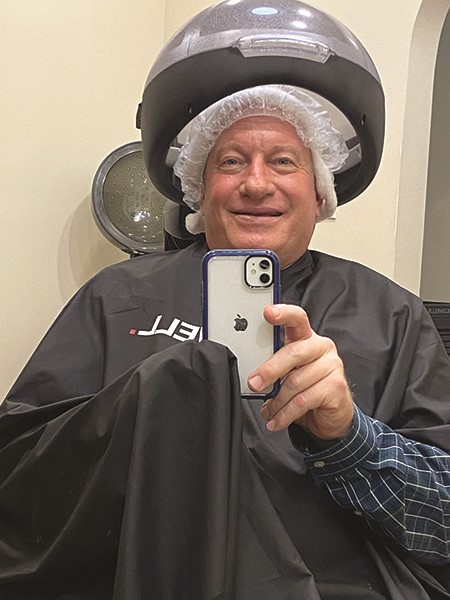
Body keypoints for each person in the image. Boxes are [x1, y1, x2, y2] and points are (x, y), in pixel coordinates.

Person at [1, 85, 449, 600]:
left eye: (283, 162)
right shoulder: (117, 296)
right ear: (199, 187)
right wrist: (146, 405)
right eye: (232, 162)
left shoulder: (391, 314)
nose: (256, 184)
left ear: (320, 192)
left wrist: (348, 438)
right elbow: (18, 480)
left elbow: (443, 523)